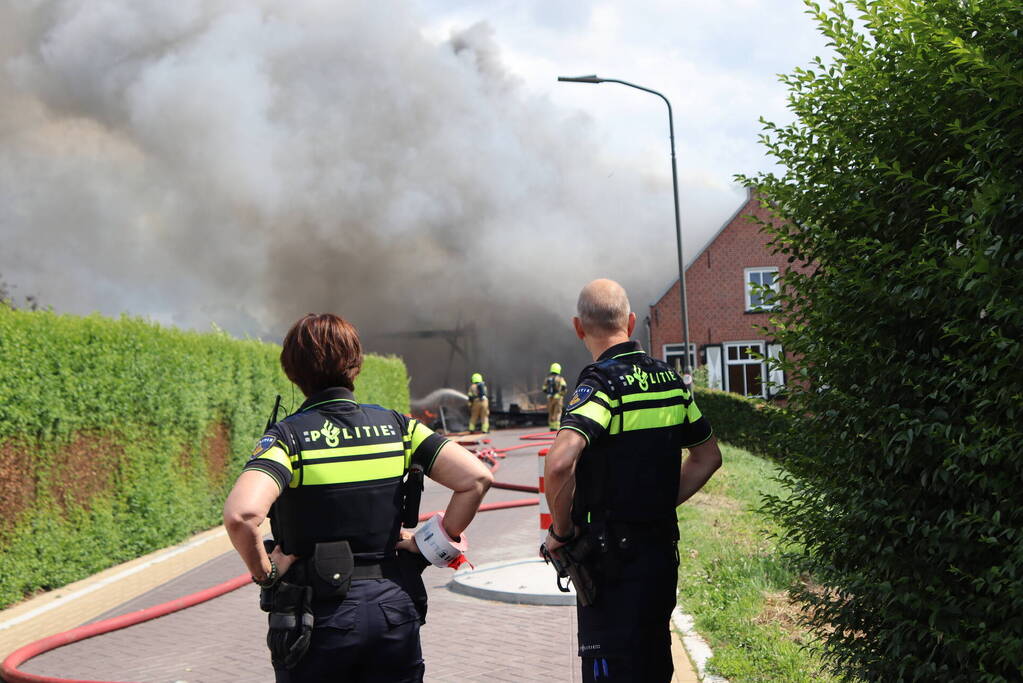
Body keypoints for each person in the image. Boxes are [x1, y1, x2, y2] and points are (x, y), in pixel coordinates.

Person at [223, 313, 493, 682]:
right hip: (393, 609)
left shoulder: (288, 440)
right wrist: (431, 543)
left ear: (292, 372)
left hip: (317, 619)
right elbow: (476, 478)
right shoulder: (400, 428)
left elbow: (241, 516)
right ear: (357, 364)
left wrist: (267, 573)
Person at [543, 279, 722, 682]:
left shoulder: (601, 386)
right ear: (632, 321)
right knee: (654, 664)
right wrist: (657, 501)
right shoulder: (671, 382)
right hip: (660, 555)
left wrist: (561, 530)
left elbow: (559, 465)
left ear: (578, 327)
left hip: (610, 565)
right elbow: (708, 456)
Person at [543, 362, 568, 431]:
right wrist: (560, 394)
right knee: (557, 412)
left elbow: (544, 388)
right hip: (558, 399)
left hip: (550, 398)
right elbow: (564, 388)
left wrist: (549, 394)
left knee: (551, 411)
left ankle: (551, 427)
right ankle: (556, 427)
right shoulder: (560, 378)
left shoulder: (547, 378)